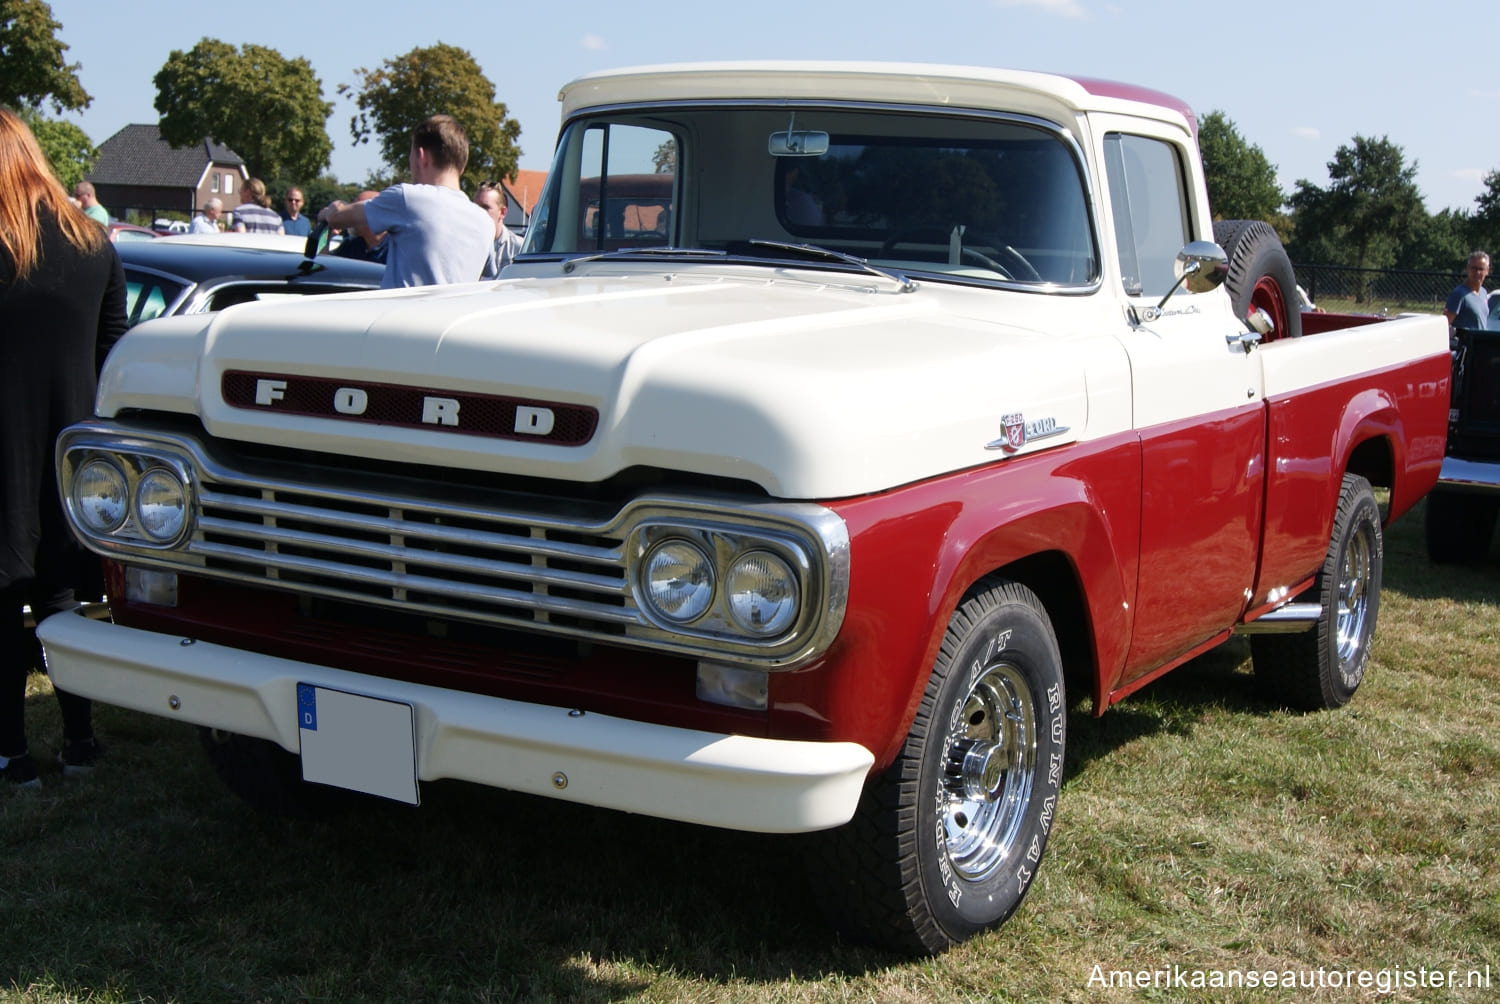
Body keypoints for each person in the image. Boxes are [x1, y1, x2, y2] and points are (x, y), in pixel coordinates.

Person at [0, 109, 127, 789]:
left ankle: (12, 753)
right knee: (59, 602)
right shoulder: (94, 244)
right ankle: (79, 738)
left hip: (6, 450)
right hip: (71, 456)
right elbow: (115, 354)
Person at [318, 114, 492, 288]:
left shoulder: (407, 198)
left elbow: (337, 218)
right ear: (461, 167)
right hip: (454, 314)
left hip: (402, 314)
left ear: (420, 155)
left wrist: (330, 210)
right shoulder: (485, 222)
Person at [475, 180, 523, 278]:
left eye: (485, 207)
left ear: (502, 212)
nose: (478, 212)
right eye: (476, 207)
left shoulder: (519, 249)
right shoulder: (468, 245)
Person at [330, 189, 388, 264]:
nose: (349, 218)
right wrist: (326, 238)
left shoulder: (397, 248)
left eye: (354, 212)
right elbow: (329, 269)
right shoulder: (352, 244)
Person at [1445, 251, 1492, 330]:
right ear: (1467, 268)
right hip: (1466, 341)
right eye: (1474, 268)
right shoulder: (1459, 294)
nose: (1477, 272)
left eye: (1481, 269)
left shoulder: (1483, 292)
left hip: (1481, 341)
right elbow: (1445, 324)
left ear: (1487, 271)